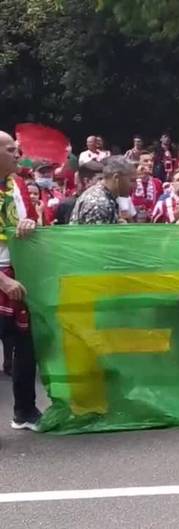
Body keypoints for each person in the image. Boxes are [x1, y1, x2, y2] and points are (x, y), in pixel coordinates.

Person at [0, 130, 41, 432]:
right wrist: (1, 281)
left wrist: (31, 223)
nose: (18, 154)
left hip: (21, 274)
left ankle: (25, 412)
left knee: (26, 347)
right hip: (2, 278)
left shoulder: (19, 185)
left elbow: (33, 225)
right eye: (12, 149)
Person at [69, 156, 135, 225]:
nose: (134, 186)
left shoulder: (105, 197)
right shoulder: (99, 203)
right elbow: (95, 235)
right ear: (116, 178)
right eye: (131, 180)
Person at [130, 151, 160, 223]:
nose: (150, 163)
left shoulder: (158, 183)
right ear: (139, 163)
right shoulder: (131, 182)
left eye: (151, 161)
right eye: (146, 161)